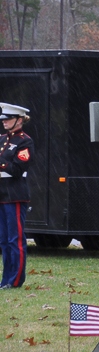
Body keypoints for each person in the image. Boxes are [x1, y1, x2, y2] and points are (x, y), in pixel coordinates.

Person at [0, 103, 33, 289]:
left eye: (9, 119)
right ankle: (5, 280)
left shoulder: (25, 142)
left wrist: (2, 162)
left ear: (19, 120)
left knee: (15, 239)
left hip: (15, 194)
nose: (4, 122)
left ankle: (15, 280)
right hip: (2, 194)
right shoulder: (2, 139)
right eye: (3, 119)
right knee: (4, 240)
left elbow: (17, 169)